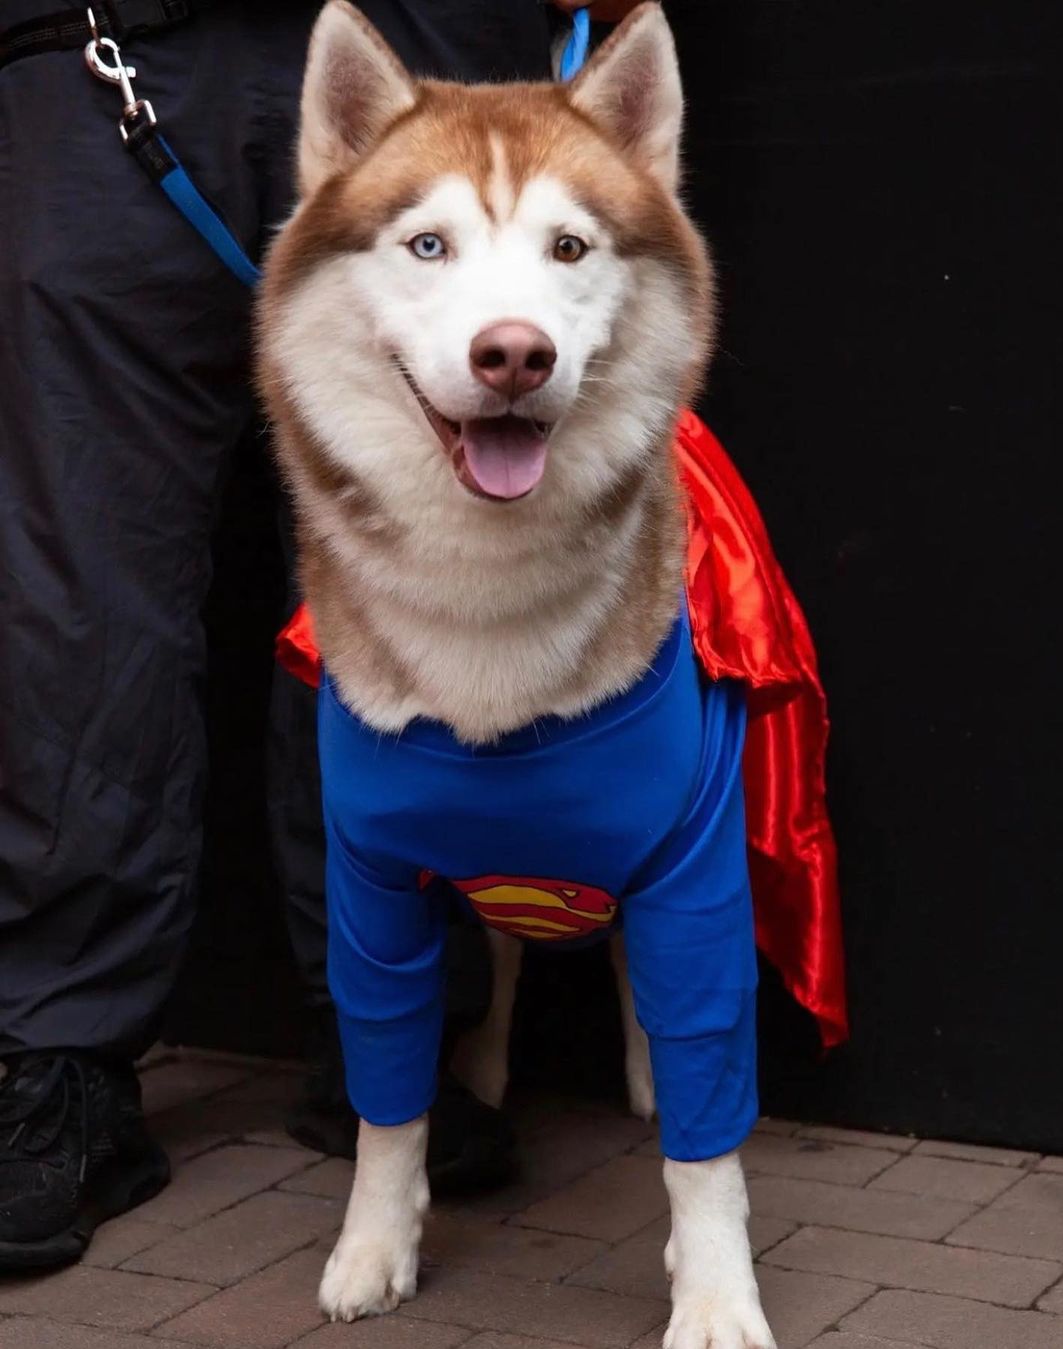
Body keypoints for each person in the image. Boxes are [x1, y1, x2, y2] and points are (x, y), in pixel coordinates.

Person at [0, 0, 636, 1273]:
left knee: (437, 565)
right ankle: (58, 1055)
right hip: (101, 47)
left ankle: (389, 1051)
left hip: (438, 31)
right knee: (79, 579)